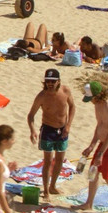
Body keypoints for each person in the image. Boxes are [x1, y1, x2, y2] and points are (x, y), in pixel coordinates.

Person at [26, 68, 75, 199]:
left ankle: (53, 186)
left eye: (53, 81)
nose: (50, 83)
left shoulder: (65, 91)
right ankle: (46, 190)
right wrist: (32, 130)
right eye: (48, 81)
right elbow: (31, 115)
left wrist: (68, 125)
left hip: (62, 130)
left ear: (58, 81)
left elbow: (72, 106)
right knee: (47, 161)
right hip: (48, 130)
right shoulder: (42, 96)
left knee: (60, 160)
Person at [77, 82, 108, 213]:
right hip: (103, 143)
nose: (91, 101)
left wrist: (101, 154)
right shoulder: (97, 105)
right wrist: (92, 145)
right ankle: (89, 203)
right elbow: (99, 126)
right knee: (93, 173)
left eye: (92, 98)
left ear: (98, 96)